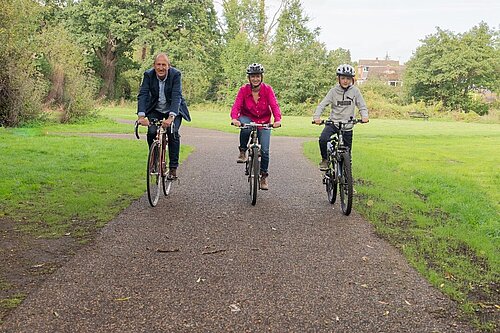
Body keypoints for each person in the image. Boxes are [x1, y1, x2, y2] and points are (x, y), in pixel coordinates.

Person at [137, 53, 191, 179]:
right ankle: (154, 157)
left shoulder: (175, 75)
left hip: (174, 109)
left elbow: (176, 95)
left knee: (173, 133)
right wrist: (141, 116)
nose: (161, 68)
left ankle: (173, 168)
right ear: (154, 66)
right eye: (158, 65)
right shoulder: (148, 75)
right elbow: (143, 94)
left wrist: (171, 117)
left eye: (164, 65)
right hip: (155, 109)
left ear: (169, 66)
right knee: (151, 131)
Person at [230, 63, 282, 190]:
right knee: (245, 128)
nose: (255, 79)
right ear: (249, 78)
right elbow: (236, 105)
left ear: (261, 77)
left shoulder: (267, 89)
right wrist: (234, 118)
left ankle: (263, 176)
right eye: (253, 76)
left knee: (264, 150)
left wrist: (277, 120)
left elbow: (274, 105)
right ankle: (243, 151)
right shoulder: (243, 90)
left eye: (258, 76)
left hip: (264, 120)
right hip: (247, 117)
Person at [313, 64, 369, 170]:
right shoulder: (333, 91)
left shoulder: (355, 91)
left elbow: (362, 105)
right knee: (323, 139)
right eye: (342, 78)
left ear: (352, 79)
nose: (345, 81)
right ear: (338, 78)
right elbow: (322, 105)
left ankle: (347, 179)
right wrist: (317, 117)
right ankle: (325, 160)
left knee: (347, 155)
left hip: (347, 125)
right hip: (333, 123)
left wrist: (364, 116)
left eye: (348, 78)